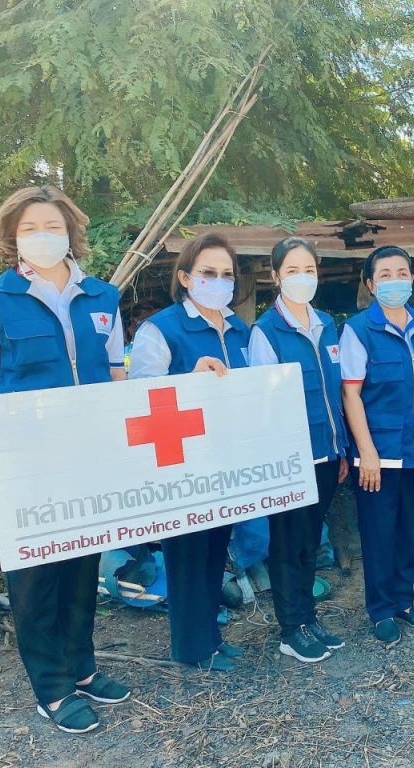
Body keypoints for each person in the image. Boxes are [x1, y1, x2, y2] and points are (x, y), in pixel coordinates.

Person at [0, 186, 130, 734]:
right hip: (28, 456)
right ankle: (52, 689)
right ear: (12, 237)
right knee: (36, 571)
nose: (42, 236)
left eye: (53, 226)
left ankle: (82, 668)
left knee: (82, 562)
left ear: (71, 232)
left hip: (89, 452)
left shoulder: (103, 296)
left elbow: (115, 370)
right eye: (30, 227)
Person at [128, 232, 249, 672]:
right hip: (180, 463)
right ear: (185, 277)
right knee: (186, 557)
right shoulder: (161, 328)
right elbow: (139, 397)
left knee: (216, 550)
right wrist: (189, 380)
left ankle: (211, 637)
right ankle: (192, 648)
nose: (218, 282)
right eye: (207, 273)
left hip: (225, 460)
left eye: (226, 275)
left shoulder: (239, 329)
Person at [340, 246, 414, 646]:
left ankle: (404, 600)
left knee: (409, 529)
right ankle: (381, 609)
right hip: (379, 453)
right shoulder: (358, 330)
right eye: (385, 274)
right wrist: (365, 452)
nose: (394, 280)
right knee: (378, 533)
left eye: (401, 273)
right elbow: (351, 394)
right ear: (372, 285)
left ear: (412, 279)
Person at [250, 237, 348, 664]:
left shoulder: (327, 324)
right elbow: (263, 404)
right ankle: (291, 629)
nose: (302, 277)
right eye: (292, 270)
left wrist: (342, 447)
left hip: (328, 452)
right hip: (291, 457)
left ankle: (309, 619)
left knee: (310, 541)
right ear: (276, 277)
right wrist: (278, 458)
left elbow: (337, 391)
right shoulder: (266, 331)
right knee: (288, 542)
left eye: (308, 269)